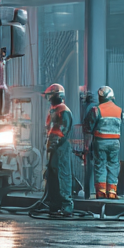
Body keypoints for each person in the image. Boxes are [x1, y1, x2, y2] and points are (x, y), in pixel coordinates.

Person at [82, 85, 124, 199]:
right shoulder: (119, 110)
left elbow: (88, 127)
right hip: (115, 142)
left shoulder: (96, 110)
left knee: (100, 165)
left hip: (100, 142)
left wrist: (87, 143)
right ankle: (112, 192)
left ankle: (101, 192)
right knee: (113, 165)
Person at [43, 83, 74, 217]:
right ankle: (54, 205)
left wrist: (56, 142)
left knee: (62, 175)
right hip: (53, 147)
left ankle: (66, 206)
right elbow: (50, 128)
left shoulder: (63, 110)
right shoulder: (54, 109)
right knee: (52, 176)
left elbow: (63, 130)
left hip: (60, 147)